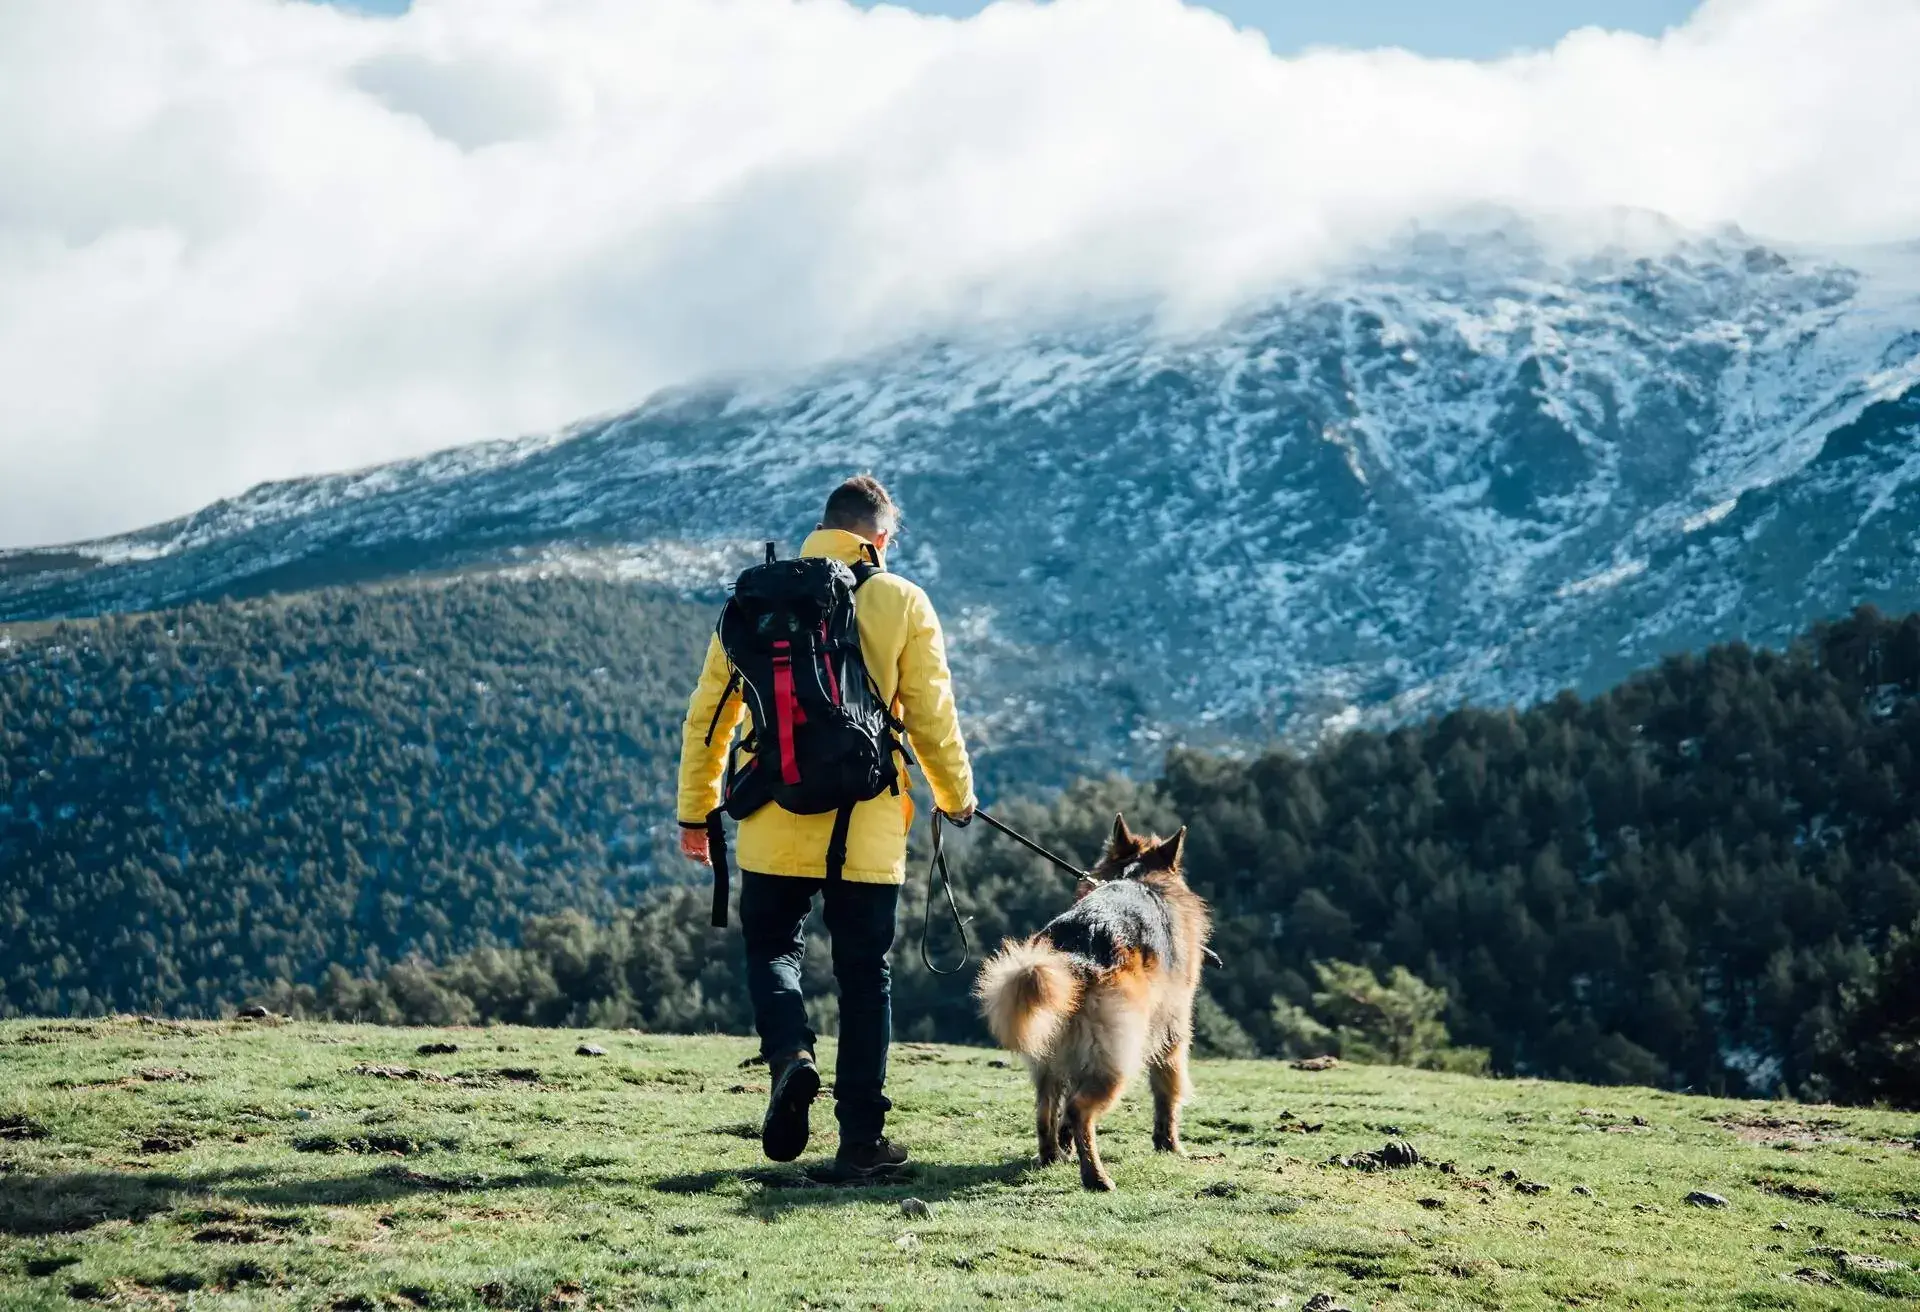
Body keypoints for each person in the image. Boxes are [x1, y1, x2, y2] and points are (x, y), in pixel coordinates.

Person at [677, 474, 977, 1175]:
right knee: (865, 978)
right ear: (879, 537)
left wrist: (696, 812)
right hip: (867, 825)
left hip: (772, 815)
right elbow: (933, 714)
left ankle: (791, 1056)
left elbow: (709, 716)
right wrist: (954, 795)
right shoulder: (901, 600)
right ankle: (861, 1143)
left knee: (774, 949)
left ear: (823, 526)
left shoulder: (755, 599)